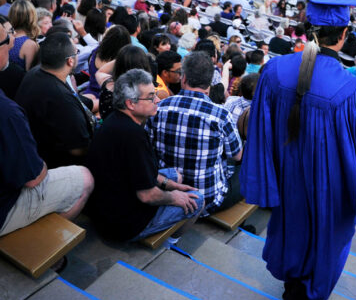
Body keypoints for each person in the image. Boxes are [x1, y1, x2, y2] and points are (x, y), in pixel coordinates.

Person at [240, 0, 356, 300]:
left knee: (293, 234)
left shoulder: (275, 71)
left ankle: (295, 291)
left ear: (308, 28)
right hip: (330, 193)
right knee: (325, 249)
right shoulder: (353, 90)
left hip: (287, 183)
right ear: (344, 36)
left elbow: (260, 132)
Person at [86, 69, 204, 242]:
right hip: (123, 224)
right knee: (197, 199)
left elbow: (138, 171)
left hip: (107, 206)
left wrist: (170, 185)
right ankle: (169, 243)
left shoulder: (115, 119)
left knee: (175, 176)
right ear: (131, 104)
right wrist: (174, 197)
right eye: (150, 97)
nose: (157, 100)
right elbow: (147, 195)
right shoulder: (133, 135)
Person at [0, 22, 94, 237]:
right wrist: (42, 163)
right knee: (86, 177)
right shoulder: (8, 111)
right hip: (7, 202)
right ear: (70, 61)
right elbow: (33, 176)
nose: (13, 42)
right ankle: (41, 241)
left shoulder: (34, 75)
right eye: (7, 40)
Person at [147, 52, 243, 214]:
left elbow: (148, 146)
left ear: (183, 78)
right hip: (207, 200)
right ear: (208, 85)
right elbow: (237, 156)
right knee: (247, 169)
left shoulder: (160, 107)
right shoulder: (220, 115)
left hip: (168, 191)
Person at [15, 32, 95, 169]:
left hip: (32, 150)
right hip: (53, 165)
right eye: (76, 52)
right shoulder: (60, 98)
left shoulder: (35, 73)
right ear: (70, 61)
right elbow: (78, 149)